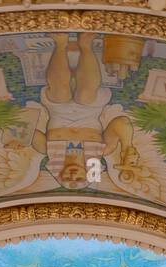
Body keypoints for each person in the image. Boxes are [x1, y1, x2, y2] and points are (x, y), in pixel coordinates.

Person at [32, 33, 134, 190]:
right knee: (85, 97)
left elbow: (27, 129)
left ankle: (60, 43)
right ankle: (86, 45)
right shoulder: (104, 149)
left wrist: (16, 138)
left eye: (67, 177)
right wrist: (127, 147)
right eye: (79, 178)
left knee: (59, 95)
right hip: (89, 110)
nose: (73, 175)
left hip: (58, 111)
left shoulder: (45, 149)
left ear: (60, 173)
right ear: (88, 172)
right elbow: (122, 123)